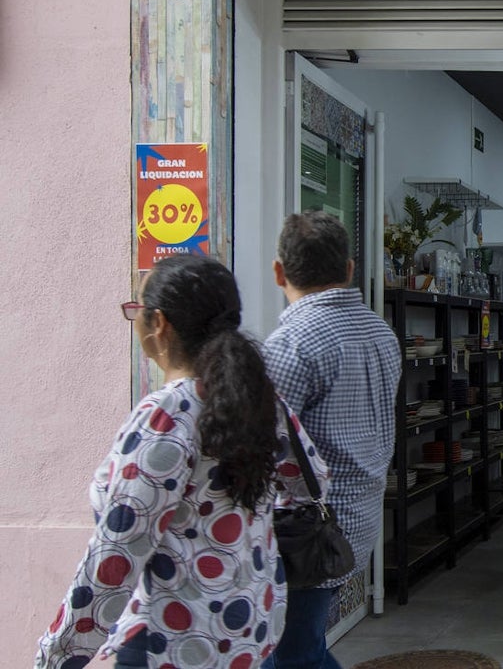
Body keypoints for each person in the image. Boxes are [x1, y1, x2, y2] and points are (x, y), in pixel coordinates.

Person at [34, 254, 327, 669]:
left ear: (159, 324)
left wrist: (56, 655)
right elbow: (313, 480)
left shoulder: (167, 415)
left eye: (136, 310)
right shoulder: (260, 401)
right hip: (251, 628)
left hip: (176, 644)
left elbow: (115, 556)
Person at [262, 212, 402, 669]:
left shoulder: (291, 344)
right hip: (356, 522)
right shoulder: (380, 333)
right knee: (299, 651)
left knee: (292, 656)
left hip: (308, 536)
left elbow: (261, 448)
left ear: (279, 272)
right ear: (348, 269)